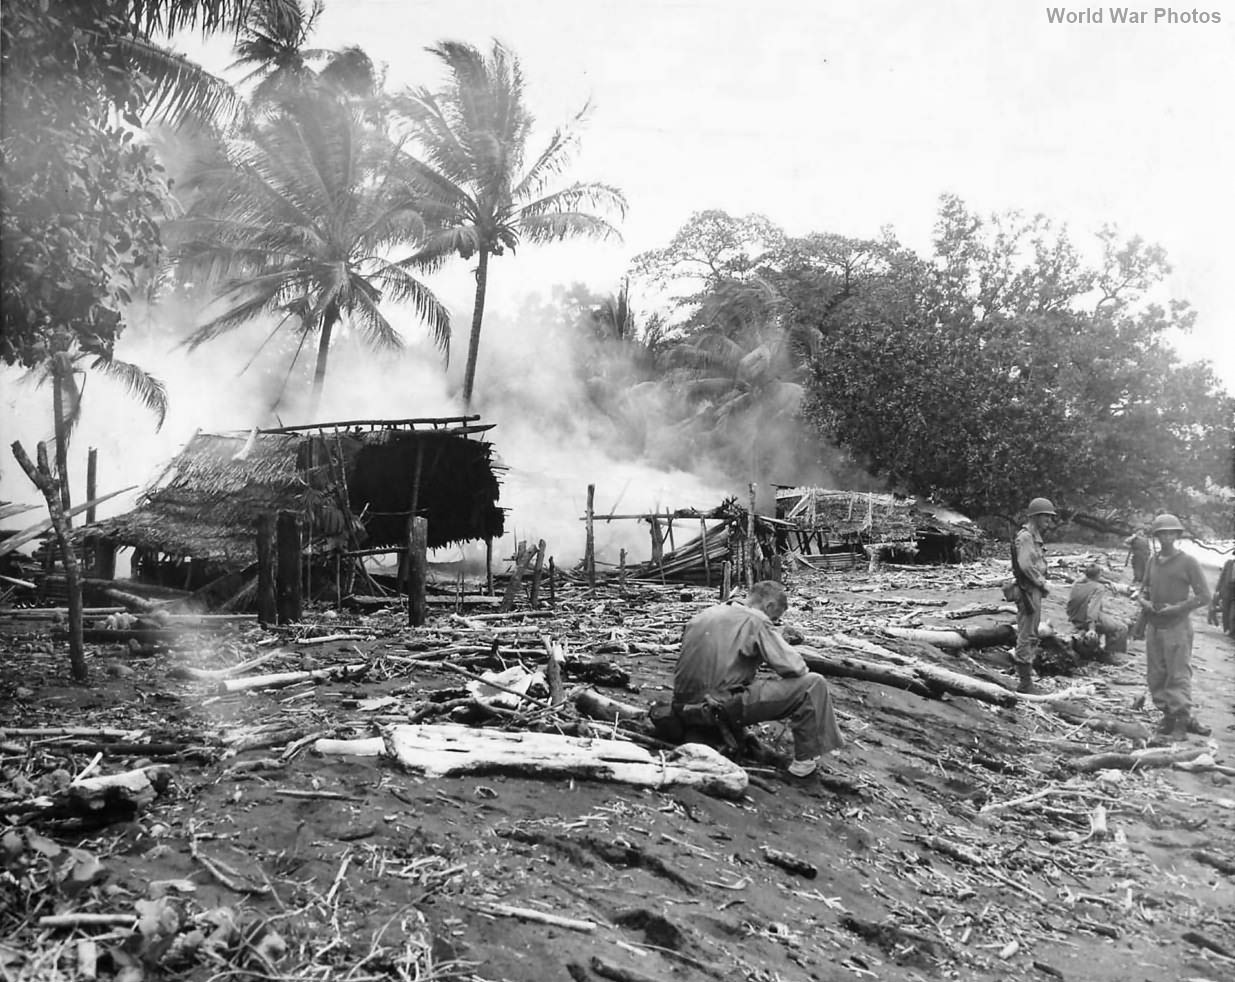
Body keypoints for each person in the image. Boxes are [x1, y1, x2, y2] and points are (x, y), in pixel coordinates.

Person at [672, 580, 844, 777]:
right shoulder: (757, 620)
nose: (774, 621)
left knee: (739, 680)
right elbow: (796, 668)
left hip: (682, 704)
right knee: (813, 684)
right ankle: (804, 764)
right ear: (768, 606)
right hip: (717, 706)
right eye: (776, 617)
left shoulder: (705, 615)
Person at [1140, 513, 1212, 738]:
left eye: (1171, 533)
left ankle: (1181, 720)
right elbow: (1143, 588)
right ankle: (1168, 715)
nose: (1167, 537)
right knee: (1156, 674)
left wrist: (1177, 608)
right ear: (1157, 536)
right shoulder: (1153, 560)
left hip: (1177, 626)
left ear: (1178, 535)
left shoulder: (1188, 562)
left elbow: (1204, 596)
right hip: (1155, 625)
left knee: (1178, 674)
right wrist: (1145, 603)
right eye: (1162, 533)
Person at [1009, 497, 1057, 694]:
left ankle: (1026, 677)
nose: (1049, 520)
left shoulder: (1034, 536)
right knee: (1026, 634)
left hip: (1033, 590)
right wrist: (1041, 581)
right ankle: (1025, 683)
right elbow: (1026, 565)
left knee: (1031, 632)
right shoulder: (1026, 537)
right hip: (1028, 590)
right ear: (1036, 516)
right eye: (1046, 516)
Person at [1066, 564, 1128, 663]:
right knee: (1121, 628)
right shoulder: (1098, 588)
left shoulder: (1077, 582)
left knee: (1105, 618)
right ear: (1098, 575)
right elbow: (1092, 608)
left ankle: (1096, 649)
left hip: (1074, 616)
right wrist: (1091, 628)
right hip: (1087, 617)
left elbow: (1091, 578)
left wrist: (1107, 581)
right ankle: (1109, 655)